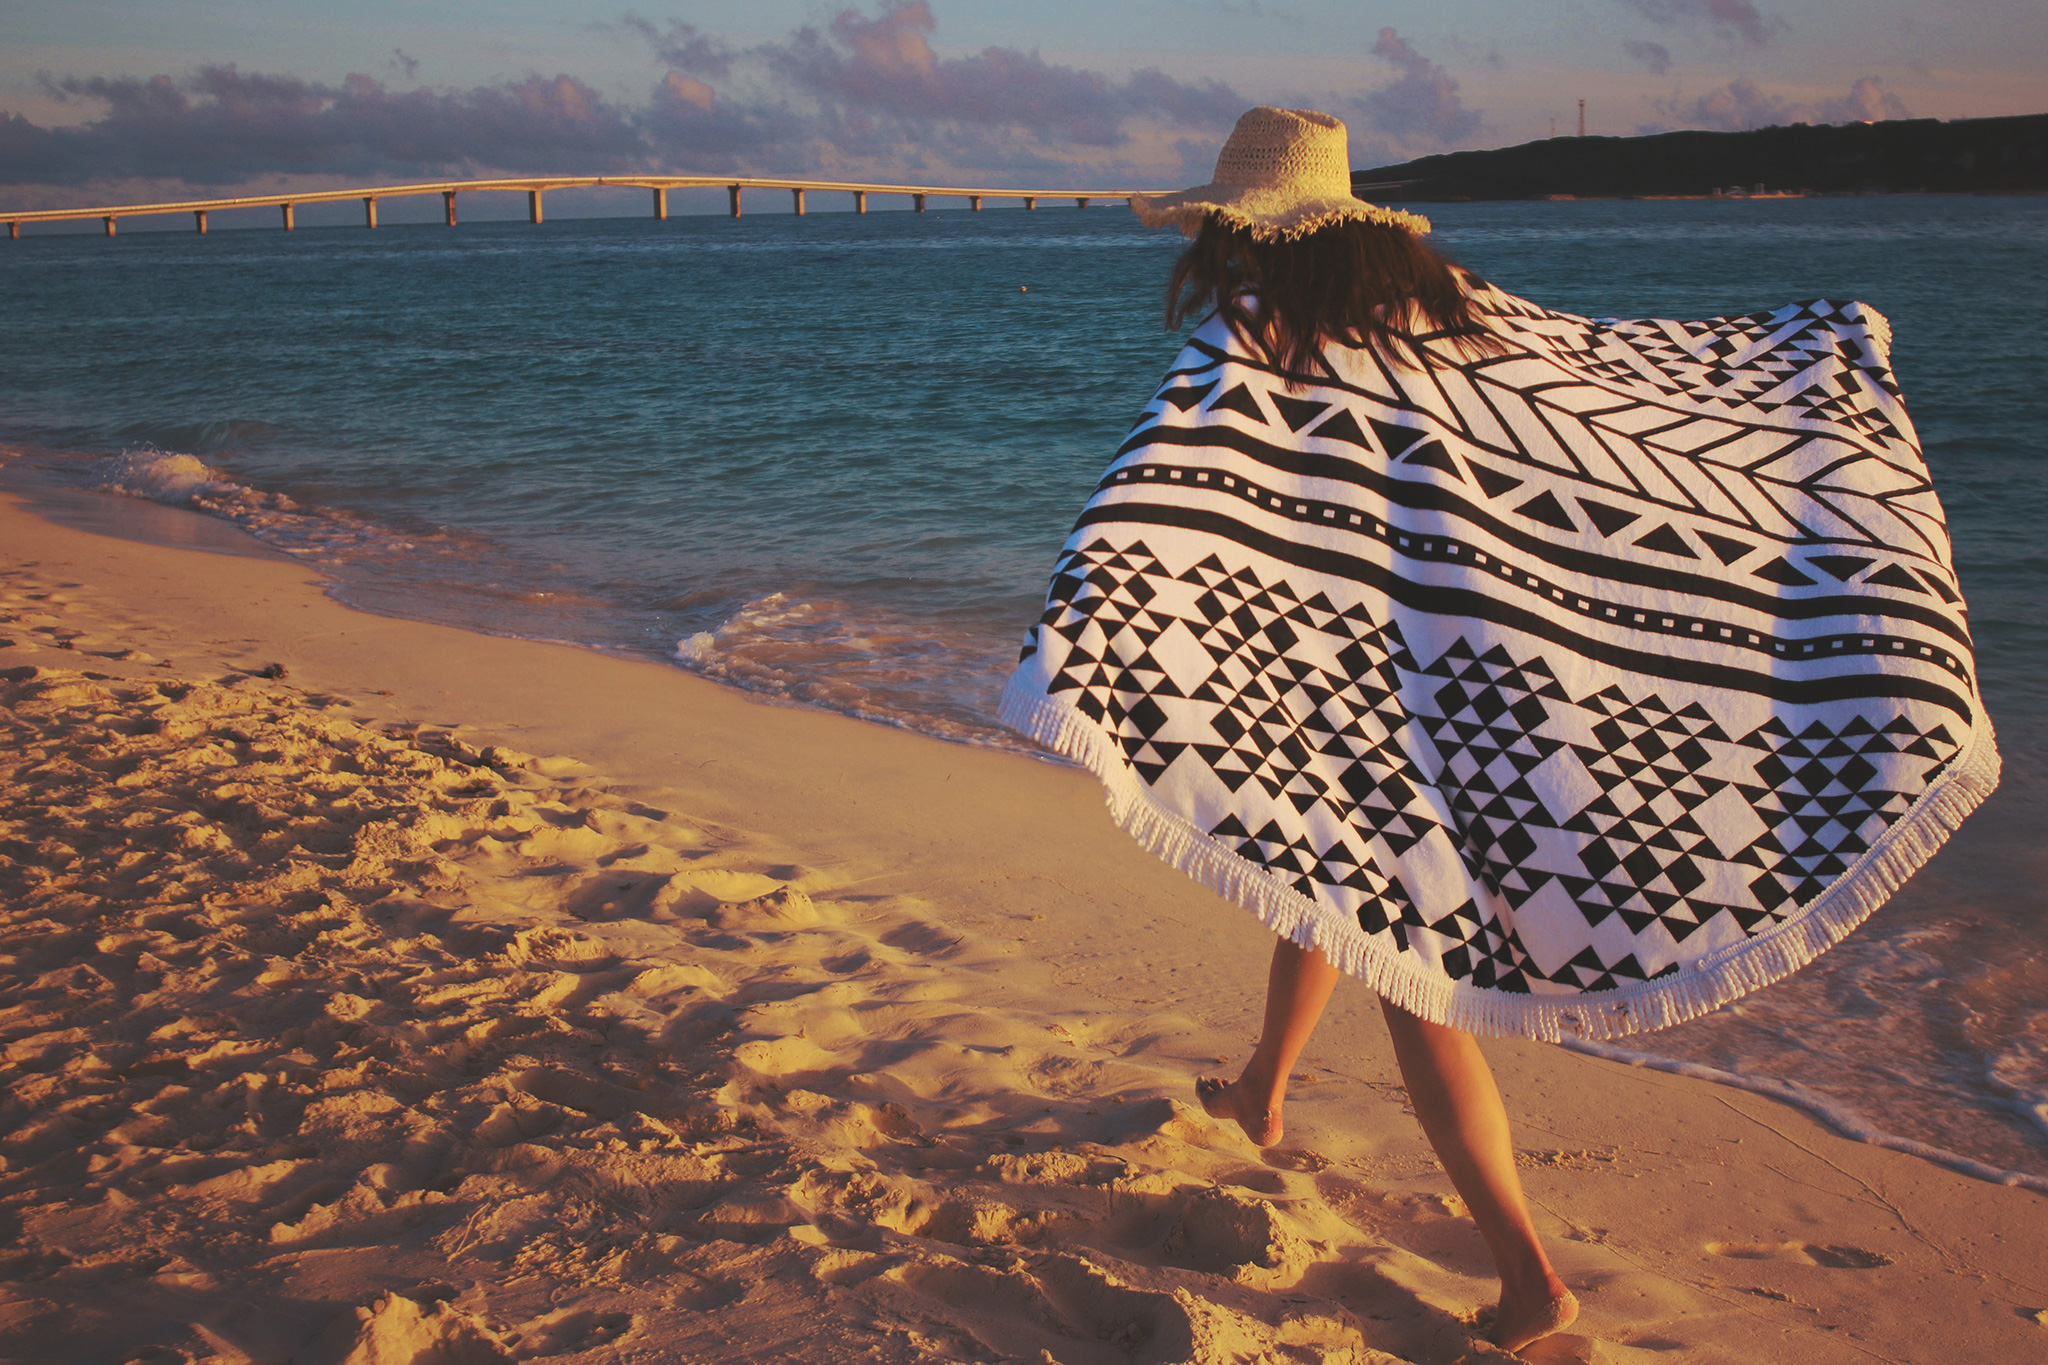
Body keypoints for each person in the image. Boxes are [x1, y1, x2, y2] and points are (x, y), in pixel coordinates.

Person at [1000, 107, 1995, 1356]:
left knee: (1411, 967)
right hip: (1462, 676)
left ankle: (1528, 1276)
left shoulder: (1254, 334)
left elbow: (1160, 495)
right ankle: (1260, 1088)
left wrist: (1087, 621)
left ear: (1237, 231)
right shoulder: (1449, 308)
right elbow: (1590, 400)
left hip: (1372, 670)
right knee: (1325, 871)